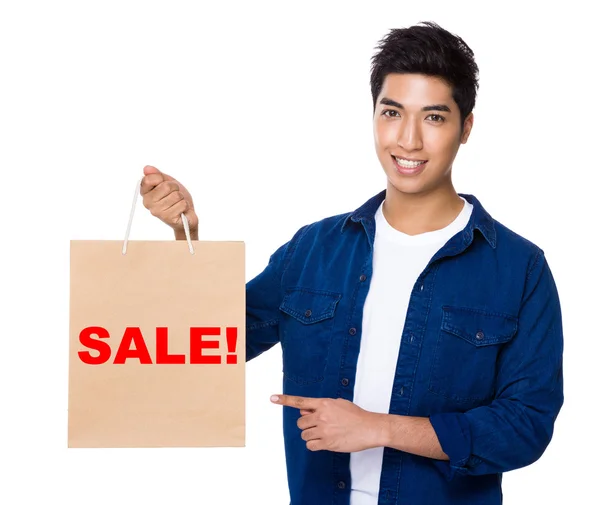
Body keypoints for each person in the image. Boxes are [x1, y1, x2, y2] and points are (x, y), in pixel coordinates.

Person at [139, 21, 563, 505]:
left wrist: (378, 428)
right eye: (392, 112)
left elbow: (525, 427)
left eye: (434, 117)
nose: (408, 140)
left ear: (466, 127)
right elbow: (212, 344)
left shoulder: (519, 268)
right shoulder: (313, 250)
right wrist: (184, 235)